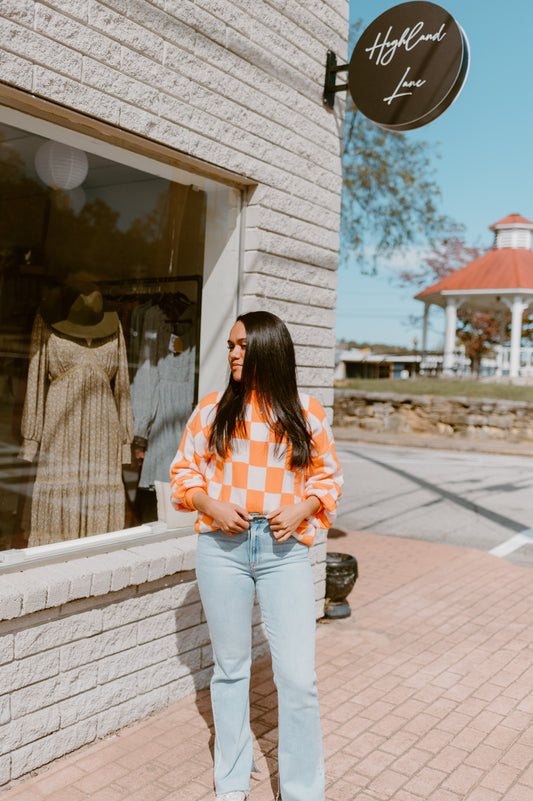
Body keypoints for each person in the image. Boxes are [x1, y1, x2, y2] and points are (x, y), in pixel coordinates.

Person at [170, 310, 343, 801]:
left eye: (242, 345)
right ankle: (231, 781)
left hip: (283, 549)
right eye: (230, 346)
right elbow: (184, 474)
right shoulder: (211, 410)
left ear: (270, 348)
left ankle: (303, 791)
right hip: (221, 549)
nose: (233, 353)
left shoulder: (306, 412)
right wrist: (210, 505)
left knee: (298, 678)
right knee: (230, 671)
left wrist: (301, 508)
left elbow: (328, 478)